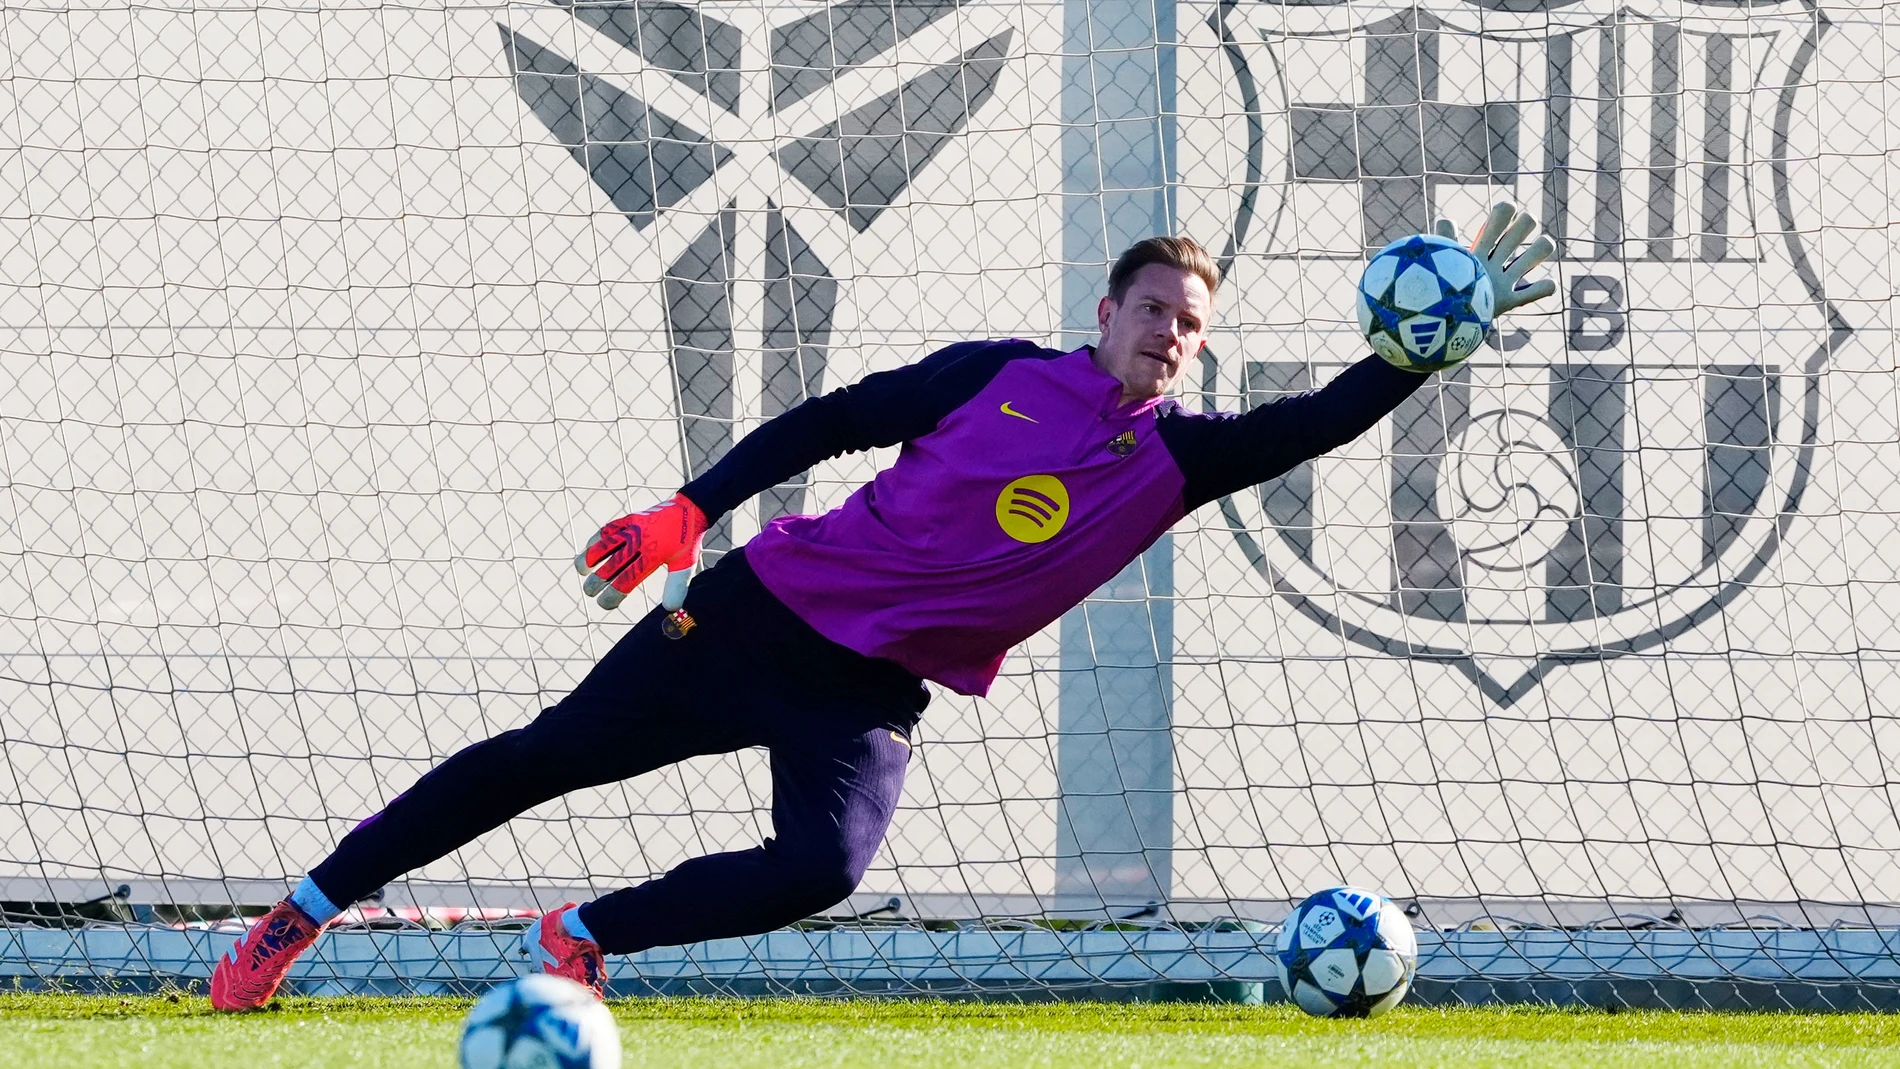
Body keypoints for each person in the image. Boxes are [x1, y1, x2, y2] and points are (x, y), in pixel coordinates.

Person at [208, 204, 1555, 1010]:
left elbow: (1321, 422)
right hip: (757, 613)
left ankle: (581, 935)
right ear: (1106, 309)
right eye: (1152, 306)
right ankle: (302, 914)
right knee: (542, 761)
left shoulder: (1179, 462)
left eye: (1189, 323)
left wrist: (1422, 349)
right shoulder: (1001, 376)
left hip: (865, 693)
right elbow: (836, 417)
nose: (1167, 330)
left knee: (825, 872)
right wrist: (691, 506)